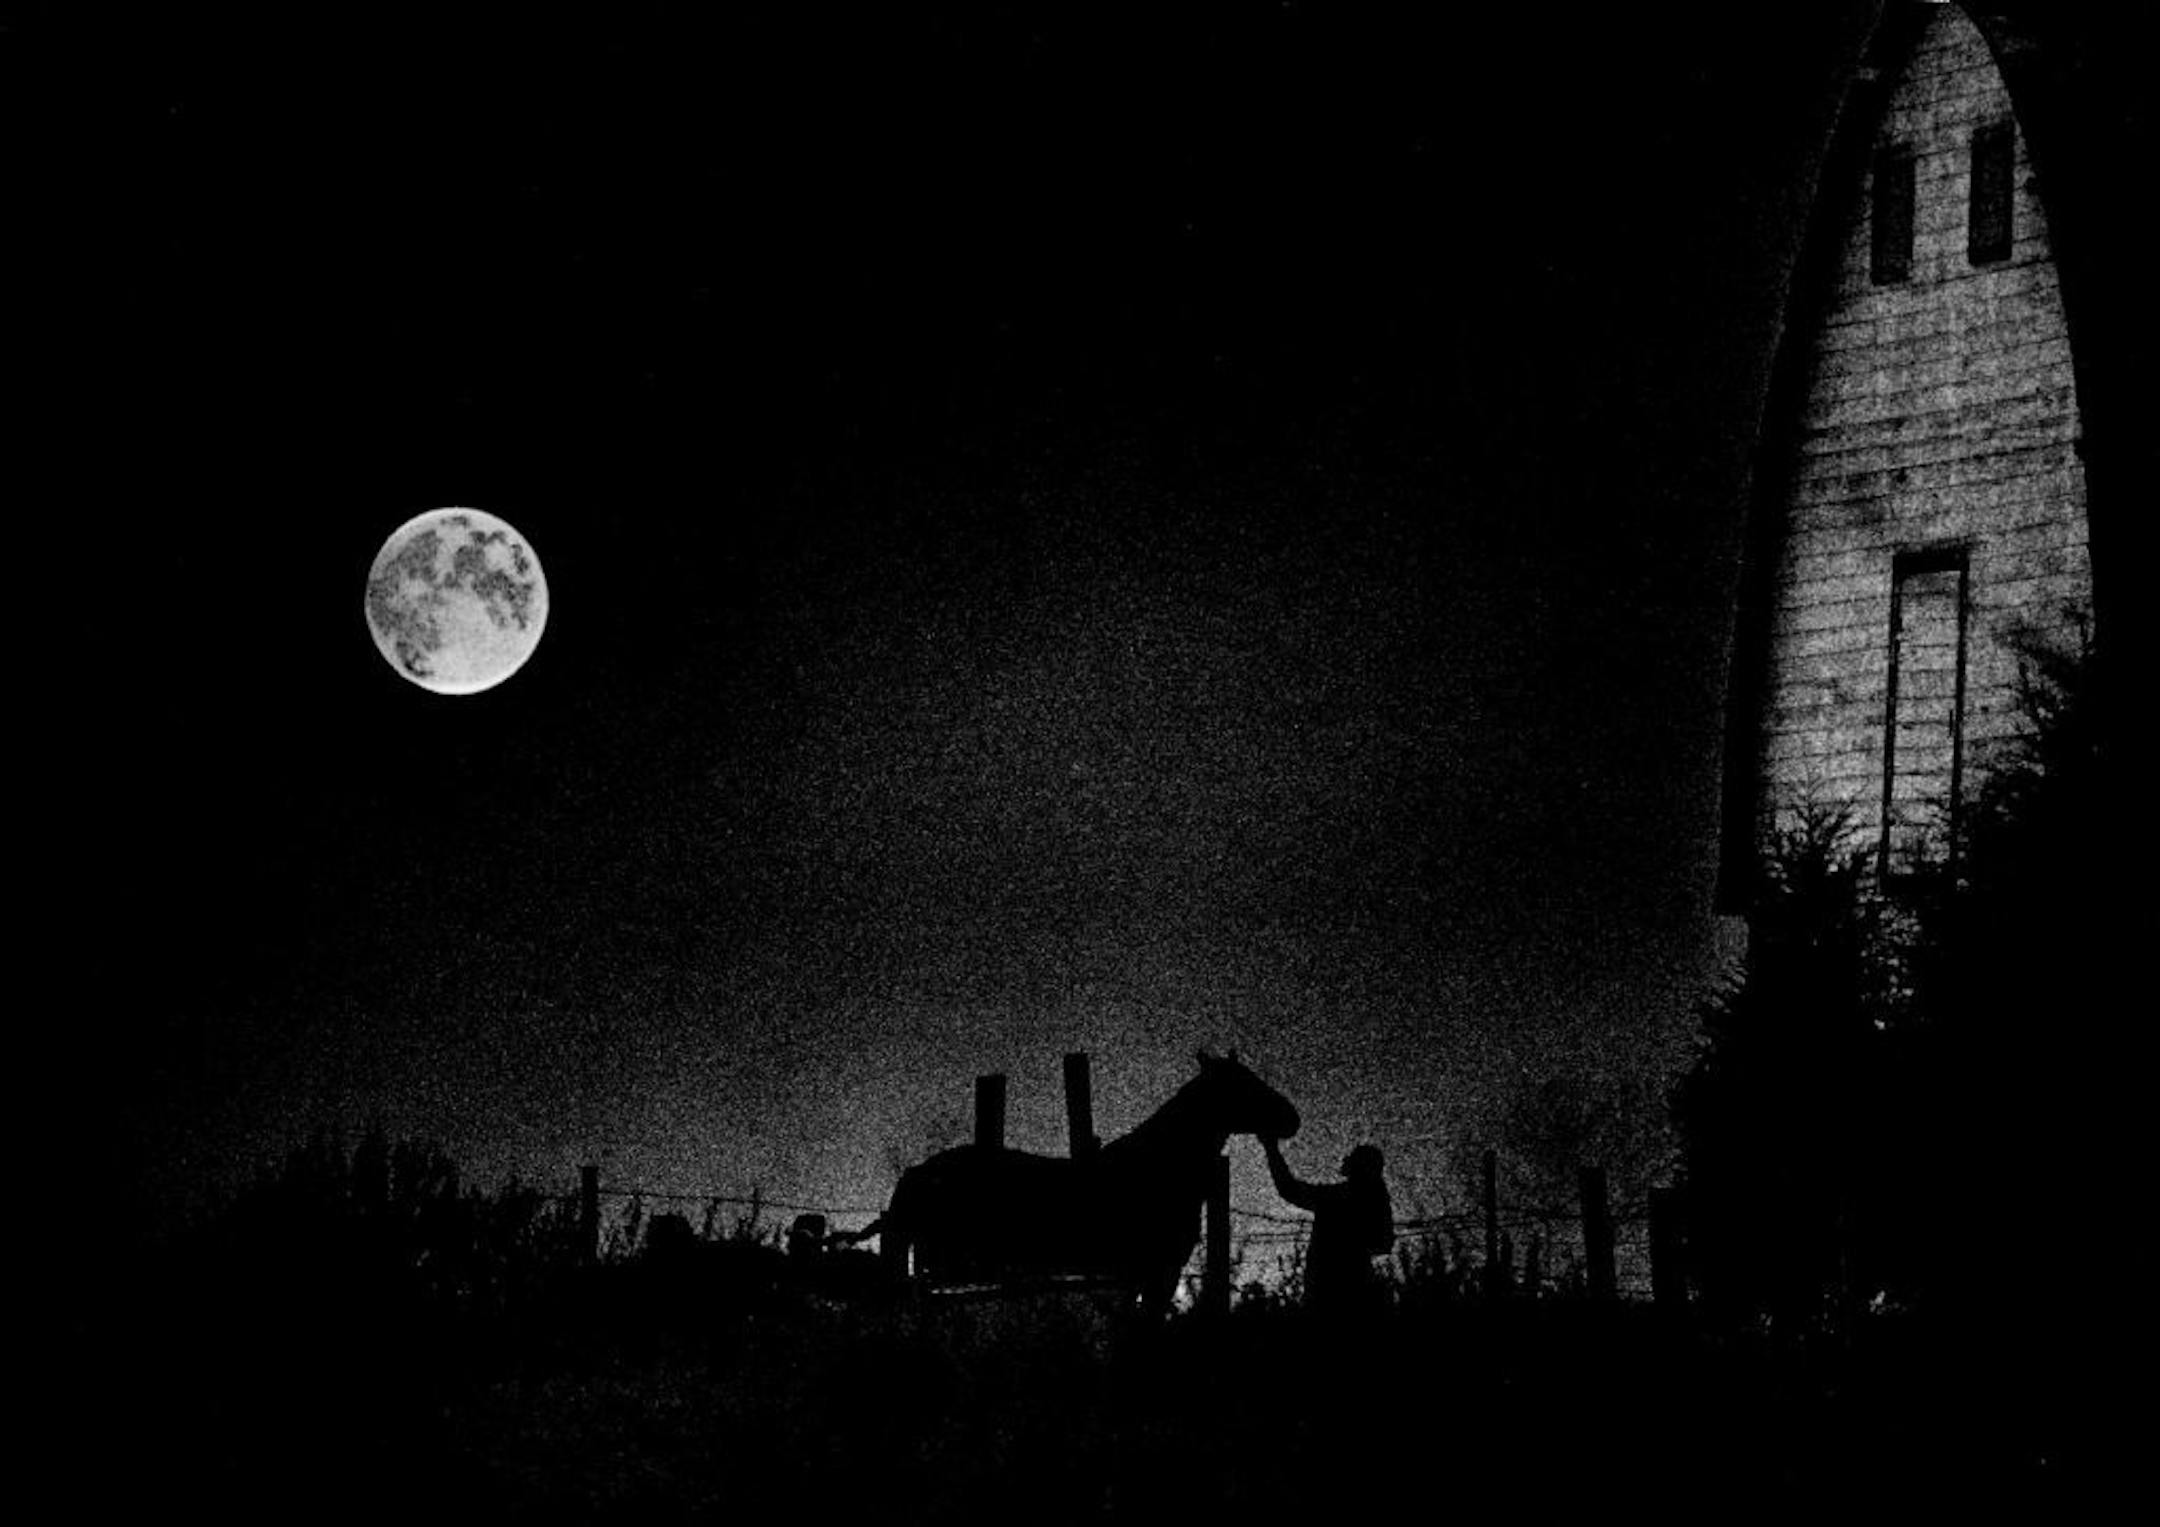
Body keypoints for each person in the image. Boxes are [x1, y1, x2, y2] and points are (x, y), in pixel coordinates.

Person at [1261, 1135, 1394, 1312]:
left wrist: (1271, 1149)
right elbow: (1384, 1243)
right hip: (1356, 1288)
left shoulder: (1340, 1198)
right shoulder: (1377, 1199)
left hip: (1328, 1291)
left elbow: (1290, 1190)